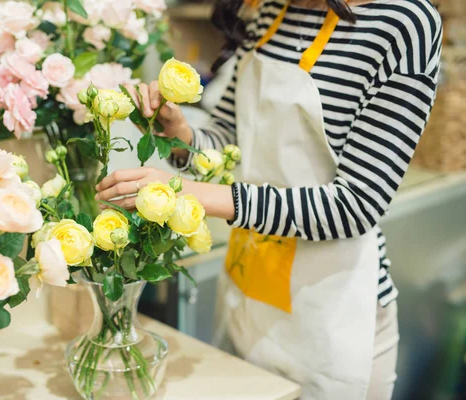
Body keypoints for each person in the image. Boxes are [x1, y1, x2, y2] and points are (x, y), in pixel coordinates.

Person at [95, 0, 442, 398]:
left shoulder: (404, 24)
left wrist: (179, 193)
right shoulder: (271, 11)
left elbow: (355, 206)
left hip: (332, 308)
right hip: (252, 288)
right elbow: (229, 136)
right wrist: (180, 134)